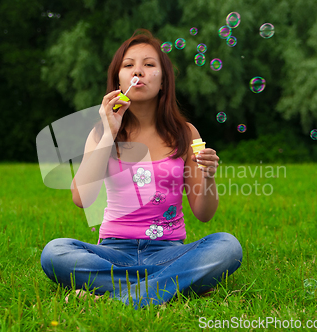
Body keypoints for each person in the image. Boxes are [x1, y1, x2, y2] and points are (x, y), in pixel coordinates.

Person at [40, 29, 242, 309]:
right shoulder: (101, 133)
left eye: (149, 64)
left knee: (228, 246)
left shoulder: (186, 133)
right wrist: (109, 133)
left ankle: (115, 298)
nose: (139, 71)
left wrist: (208, 176)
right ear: (118, 80)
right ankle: (168, 286)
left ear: (163, 81)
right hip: (112, 252)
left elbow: (204, 214)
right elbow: (81, 199)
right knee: (55, 251)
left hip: (169, 252)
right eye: (129, 65)